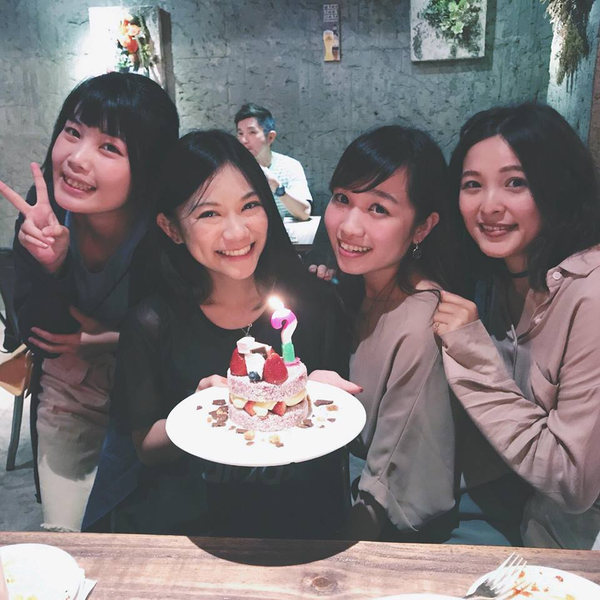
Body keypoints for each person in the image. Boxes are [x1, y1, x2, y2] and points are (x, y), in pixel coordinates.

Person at [109, 129, 355, 537]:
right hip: (199, 529)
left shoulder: (315, 305)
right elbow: (147, 449)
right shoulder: (153, 323)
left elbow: (349, 437)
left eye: (250, 205)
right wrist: (197, 411)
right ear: (171, 228)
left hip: (304, 526)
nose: (238, 232)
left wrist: (324, 394)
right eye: (209, 214)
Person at [0, 72, 179, 532]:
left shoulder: (165, 229)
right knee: (69, 535)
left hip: (154, 394)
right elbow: (39, 333)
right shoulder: (43, 215)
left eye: (109, 148)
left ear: (148, 166)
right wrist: (54, 267)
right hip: (71, 390)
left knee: (147, 538)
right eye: (72, 132)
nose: (77, 159)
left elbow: (184, 326)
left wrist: (108, 338)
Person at [433, 103, 600, 550]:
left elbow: (573, 484)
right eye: (472, 184)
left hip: (563, 541)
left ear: (557, 187)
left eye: (515, 182)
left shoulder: (590, 295)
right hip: (500, 499)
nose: (489, 206)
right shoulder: (498, 275)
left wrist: (473, 356)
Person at [323, 125, 460, 542]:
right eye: (342, 198)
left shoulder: (421, 325)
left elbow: (385, 483)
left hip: (405, 536)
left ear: (422, 227)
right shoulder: (356, 287)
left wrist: (340, 555)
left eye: (378, 209)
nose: (349, 226)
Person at [235, 103, 312, 221]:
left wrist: (277, 187)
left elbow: (305, 213)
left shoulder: (290, 167)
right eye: (240, 134)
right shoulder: (232, 170)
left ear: (270, 137)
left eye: (252, 132)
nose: (243, 140)